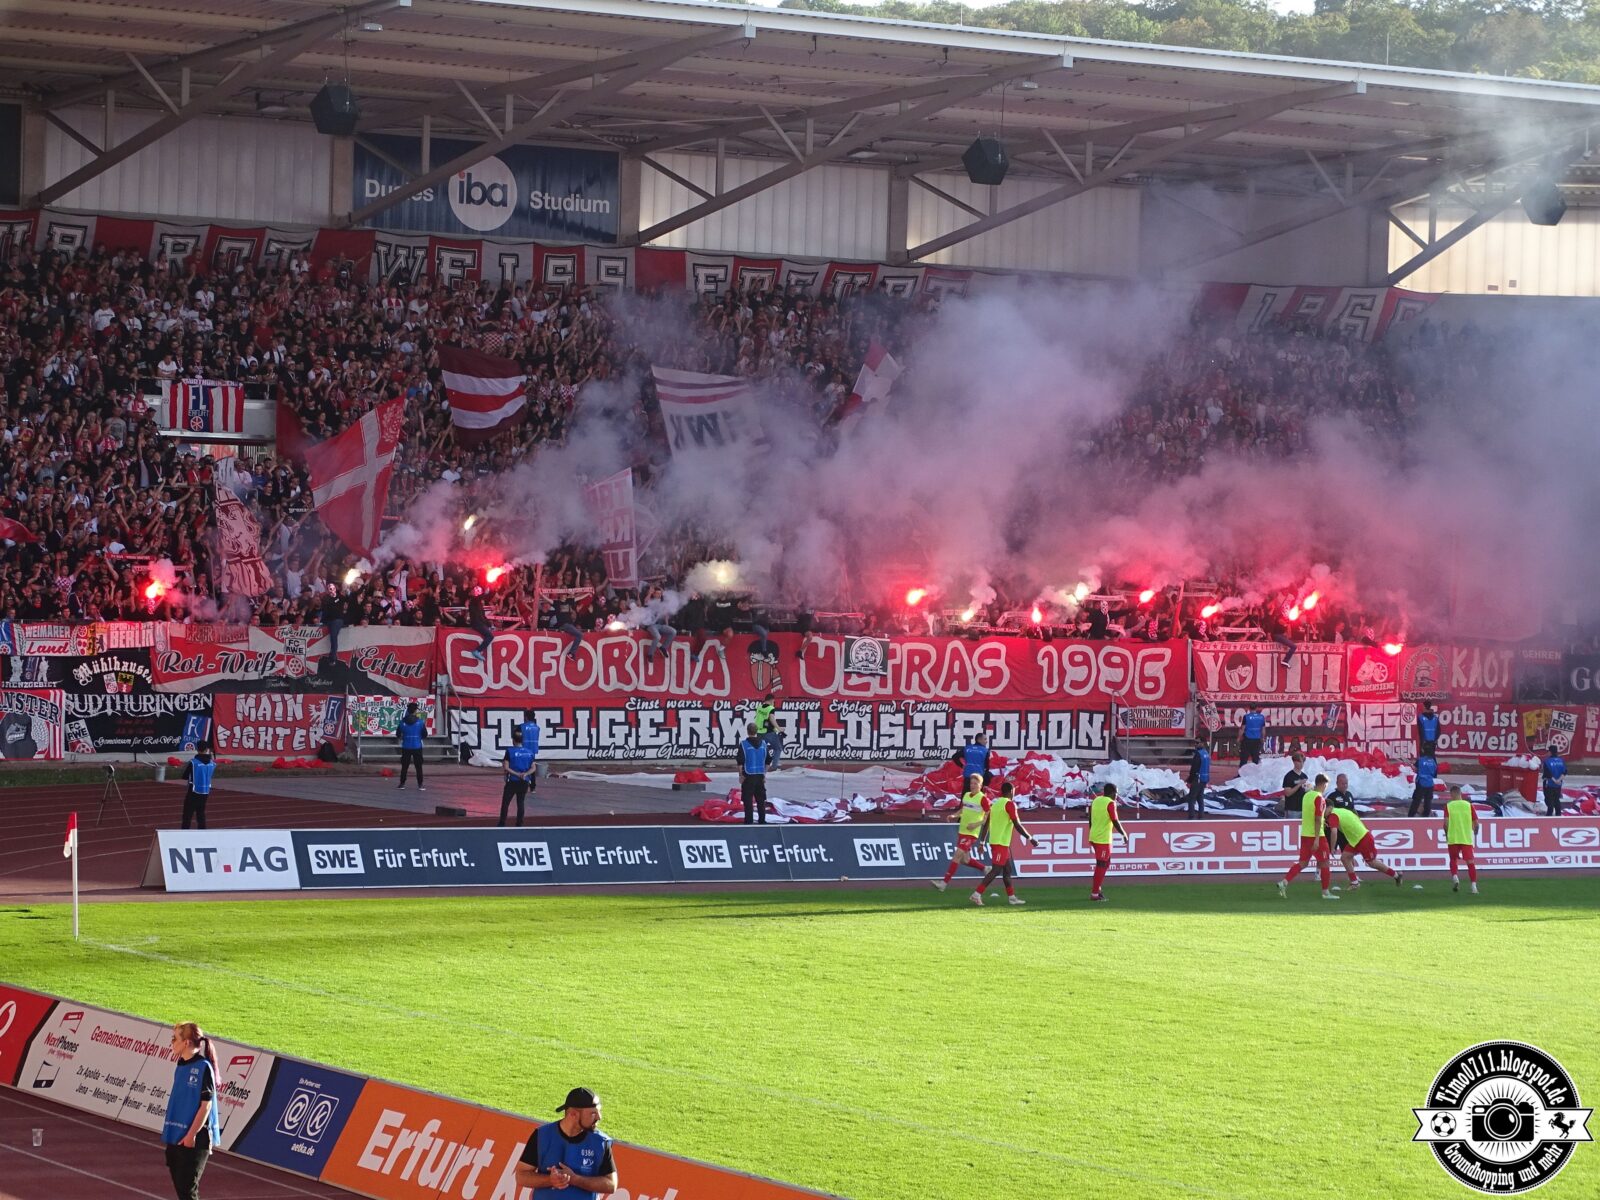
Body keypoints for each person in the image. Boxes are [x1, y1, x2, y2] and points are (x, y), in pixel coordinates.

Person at [513, 1087, 618, 1198]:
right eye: (593, 1113)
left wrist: (575, 1179)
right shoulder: (542, 1135)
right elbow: (521, 1176)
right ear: (573, 1114)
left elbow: (611, 1185)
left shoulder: (600, 1143)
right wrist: (550, 1180)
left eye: (599, 1111)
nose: (599, 1117)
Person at [161, 1021, 220, 1200]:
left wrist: (191, 1135)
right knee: (181, 1189)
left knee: (188, 1190)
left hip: (195, 1138)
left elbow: (206, 1105)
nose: (172, 1042)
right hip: (176, 1134)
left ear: (186, 1042)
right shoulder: (181, 1064)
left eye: (174, 1038)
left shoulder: (203, 1067)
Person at [972, 781, 1035, 906]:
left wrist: (982, 842)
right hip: (1000, 843)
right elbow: (1017, 824)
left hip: (998, 842)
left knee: (1007, 869)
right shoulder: (1010, 805)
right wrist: (1030, 838)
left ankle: (1012, 898)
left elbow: (987, 824)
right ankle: (976, 894)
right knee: (995, 870)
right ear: (1011, 791)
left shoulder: (995, 804)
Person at [1277, 772, 1337, 900]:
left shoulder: (1307, 796)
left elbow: (1311, 815)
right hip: (1317, 836)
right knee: (1325, 863)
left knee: (1303, 863)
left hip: (1305, 834)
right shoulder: (1319, 798)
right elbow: (1316, 818)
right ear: (1324, 784)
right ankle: (1325, 892)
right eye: (1326, 785)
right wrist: (1316, 838)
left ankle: (1284, 882)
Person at [1326, 800, 1403, 889]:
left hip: (1363, 838)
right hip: (1356, 839)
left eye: (1324, 809)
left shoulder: (1333, 815)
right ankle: (1354, 883)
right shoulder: (1342, 811)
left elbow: (1334, 832)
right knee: (1345, 857)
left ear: (1329, 807)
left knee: (1372, 863)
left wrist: (1332, 848)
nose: (1323, 812)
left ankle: (1396, 875)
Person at [932, 774, 989, 891]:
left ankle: (943, 883)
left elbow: (988, 816)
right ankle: (985, 869)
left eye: (975, 784)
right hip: (962, 830)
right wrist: (954, 815)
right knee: (965, 860)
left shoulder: (983, 798)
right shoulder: (967, 795)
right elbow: (964, 809)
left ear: (980, 785)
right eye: (971, 783)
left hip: (971, 833)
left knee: (957, 855)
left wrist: (976, 824)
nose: (972, 786)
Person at [1088, 782, 1127, 903]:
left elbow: (1089, 818)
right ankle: (1095, 894)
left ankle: (1098, 888)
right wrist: (1124, 833)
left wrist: (1092, 831)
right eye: (1116, 793)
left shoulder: (1096, 800)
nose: (1117, 796)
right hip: (1103, 839)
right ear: (1112, 793)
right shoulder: (1110, 803)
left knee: (1105, 863)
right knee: (1102, 864)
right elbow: (1115, 820)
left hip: (1094, 836)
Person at [1442, 783, 1480, 894]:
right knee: (1470, 862)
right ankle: (1473, 886)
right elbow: (1476, 824)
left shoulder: (1449, 806)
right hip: (1466, 838)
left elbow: (1445, 824)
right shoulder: (1469, 805)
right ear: (1460, 794)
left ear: (1452, 794)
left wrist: (1447, 834)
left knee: (1453, 860)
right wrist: (1475, 833)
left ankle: (1455, 878)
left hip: (1453, 838)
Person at [500, 728, 536, 827]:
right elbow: (533, 768)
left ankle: (502, 823)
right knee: (520, 802)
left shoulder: (510, 751)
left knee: (505, 803)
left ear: (514, 740)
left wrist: (516, 774)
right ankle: (519, 823)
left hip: (512, 781)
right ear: (522, 740)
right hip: (524, 781)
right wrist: (525, 774)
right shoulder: (529, 752)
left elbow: (506, 767)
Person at [738, 722, 771, 824]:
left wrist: (741, 775)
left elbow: (740, 762)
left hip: (748, 776)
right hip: (760, 776)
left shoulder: (744, 745)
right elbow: (768, 761)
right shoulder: (764, 744)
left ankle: (749, 822)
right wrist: (764, 774)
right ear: (757, 731)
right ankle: (762, 820)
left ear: (748, 732)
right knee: (761, 801)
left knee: (748, 801)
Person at [181, 744, 215, 830]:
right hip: (205, 791)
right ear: (206, 749)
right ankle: (202, 832)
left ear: (197, 749)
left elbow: (185, 776)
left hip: (193, 790)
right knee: (201, 813)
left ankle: (184, 833)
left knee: (187, 815)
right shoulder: (212, 763)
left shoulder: (193, 762)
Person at [396, 702, 426, 791]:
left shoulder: (402, 722)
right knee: (419, 766)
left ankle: (402, 784)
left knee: (404, 766)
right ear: (415, 711)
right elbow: (425, 734)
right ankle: (420, 785)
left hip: (406, 746)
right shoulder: (420, 722)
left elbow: (398, 734)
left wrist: (404, 738)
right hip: (417, 746)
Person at [753, 692, 783, 769]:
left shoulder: (759, 707)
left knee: (761, 749)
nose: (773, 703)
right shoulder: (770, 708)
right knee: (778, 748)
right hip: (768, 732)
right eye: (773, 702)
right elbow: (772, 719)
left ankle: (759, 765)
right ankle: (774, 766)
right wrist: (779, 728)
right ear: (771, 700)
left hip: (759, 731)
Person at [1185, 738, 1211, 820]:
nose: (1195, 744)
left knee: (1191, 798)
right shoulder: (1206, 753)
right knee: (1200, 797)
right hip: (1204, 778)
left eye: (1197, 743)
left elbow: (1194, 769)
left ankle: (1191, 816)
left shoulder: (1198, 754)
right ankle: (1201, 815)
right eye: (1194, 743)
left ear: (1202, 743)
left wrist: (1189, 780)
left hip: (1198, 778)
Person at [1408, 752, 1438, 817]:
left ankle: (1411, 816)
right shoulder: (1433, 761)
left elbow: (1416, 769)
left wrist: (1413, 767)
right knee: (1428, 801)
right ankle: (1426, 816)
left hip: (1421, 782)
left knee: (1416, 800)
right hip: (1430, 783)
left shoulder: (1420, 760)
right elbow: (1434, 775)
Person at [520, 708, 542, 792]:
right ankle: (533, 787)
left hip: (524, 749)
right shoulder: (537, 727)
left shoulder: (522, 726)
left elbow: (516, 737)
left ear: (526, 717)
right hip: (533, 750)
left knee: (523, 767)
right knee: (532, 768)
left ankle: (523, 786)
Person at [1541, 746, 1567, 816]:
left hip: (1548, 784)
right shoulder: (1561, 761)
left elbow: (1547, 774)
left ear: (1550, 752)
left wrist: (1554, 780)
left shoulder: (1547, 761)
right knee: (1557, 800)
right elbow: (1564, 772)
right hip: (1558, 785)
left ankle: (1549, 816)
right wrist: (1558, 780)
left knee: (1549, 801)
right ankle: (1558, 815)